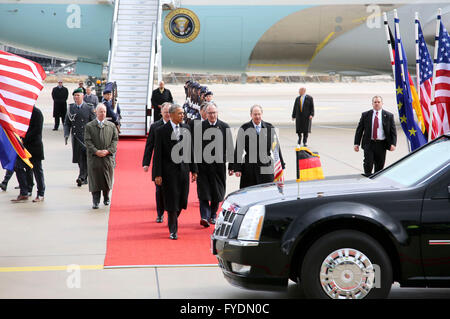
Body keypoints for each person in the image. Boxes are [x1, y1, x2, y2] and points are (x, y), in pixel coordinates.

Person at [153, 104, 198, 240]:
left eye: (183, 113)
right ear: (171, 115)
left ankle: (172, 217)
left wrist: (194, 170)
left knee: (182, 200)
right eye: (179, 113)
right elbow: (158, 155)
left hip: (183, 171)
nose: (182, 116)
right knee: (172, 200)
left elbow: (190, 150)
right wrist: (157, 174)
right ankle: (173, 229)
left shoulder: (186, 128)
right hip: (168, 173)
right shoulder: (161, 131)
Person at [195, 103, 233, 227]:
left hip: (218, 167)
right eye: (210, 113)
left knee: (217, 193)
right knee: (204, 193)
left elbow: (230, 148)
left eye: (214, 113)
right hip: (203, 167)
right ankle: (204, 217)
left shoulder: (224, 127)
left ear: (217, 113)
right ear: (205, 114)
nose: (212, 115)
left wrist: (232, 166)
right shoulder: (199, 128)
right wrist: (194, 168)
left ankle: (212, 215)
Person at [233, 105, 285, 189]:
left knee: (267, 192)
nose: (257, 116)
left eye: (259, 114)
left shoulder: (269, 128)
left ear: (262, 114)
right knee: (249, 193)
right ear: (251, 115)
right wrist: (237, 168)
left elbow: (276, 148)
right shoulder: (244, 128)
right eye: (255, 114)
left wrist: (281, 164)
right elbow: (239, 150)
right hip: (249, 168)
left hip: (266, 167)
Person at [84, 104, 119, 209]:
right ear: (96, 112)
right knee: (95, 180)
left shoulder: (111, 126)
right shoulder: (89, 126)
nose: (102, 114)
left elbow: (115, 140)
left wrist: (108, 151)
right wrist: (96, 151)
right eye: (100, 111)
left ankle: (106, 197)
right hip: (94, 158)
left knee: (106, 179)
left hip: (107, 158)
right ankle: (95, 201)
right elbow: (87, 141)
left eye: (104, 112)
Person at [354, 95, 397, 176]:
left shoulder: (388, 116)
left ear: (382, 103)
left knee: (379, 165)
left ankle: (377, 181)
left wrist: (393, 144)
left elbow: (393, 131)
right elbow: (359, 130)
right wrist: (356, 143)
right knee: (368, 163)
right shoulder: (365, 115)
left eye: (378, 102)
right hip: (369, 143)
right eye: (375, 102)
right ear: (372, 104)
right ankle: (367, 178)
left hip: (381, 144)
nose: (377, 104)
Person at [142, 102, 171, 222]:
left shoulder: (178, 125)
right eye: (165, 112)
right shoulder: (155, 126)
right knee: (159, 190)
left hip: (173, 165)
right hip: (159, 164)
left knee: (171, 189)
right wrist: (146, 163)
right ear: (161, 113)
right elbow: (149, 146)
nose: (168, 114)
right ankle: (160, 213)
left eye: (170, 112)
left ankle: (170, 212)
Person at [11, 106, 45, 203]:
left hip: (34, 146)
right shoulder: (21, 112)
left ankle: (41, 193)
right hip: (23, 147)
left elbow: (37, 130)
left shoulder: (37, 113)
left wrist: (23, 137)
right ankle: (24, 191)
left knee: (37, 170)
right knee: (18, 167)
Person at [64, 87, 96, 187]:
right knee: (79, 158)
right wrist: (66, 134)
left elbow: (93, 122)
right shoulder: (71, 108)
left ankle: (82, 177)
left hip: (87, 137)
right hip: (76, 137)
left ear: (83, 96)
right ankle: (84, 177)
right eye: (75, 96)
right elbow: (67, 123)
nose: (76, 97)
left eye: (78, 95)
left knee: (85, 157)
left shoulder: (89, 107)